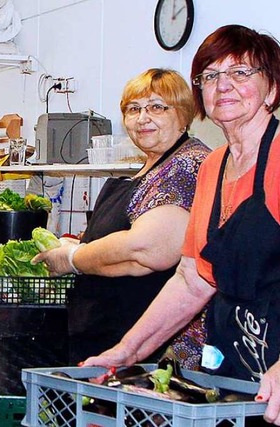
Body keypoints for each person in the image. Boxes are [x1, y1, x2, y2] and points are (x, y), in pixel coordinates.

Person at [84, 25, 280, 426]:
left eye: (241, 73)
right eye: (211, 76)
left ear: (271, 89)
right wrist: (126, 352)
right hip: (244, 353)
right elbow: (193, 278)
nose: (223, 85)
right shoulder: (214, 165)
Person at [33, 69, 211, 368]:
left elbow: (146, 250)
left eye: (157, 107)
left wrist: (73, 258)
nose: (143, 118)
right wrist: (79, 242)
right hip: (108, 336)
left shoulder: (188, 165)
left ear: (184, 114)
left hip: (151, 350)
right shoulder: (146, 169)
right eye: (133, 109)